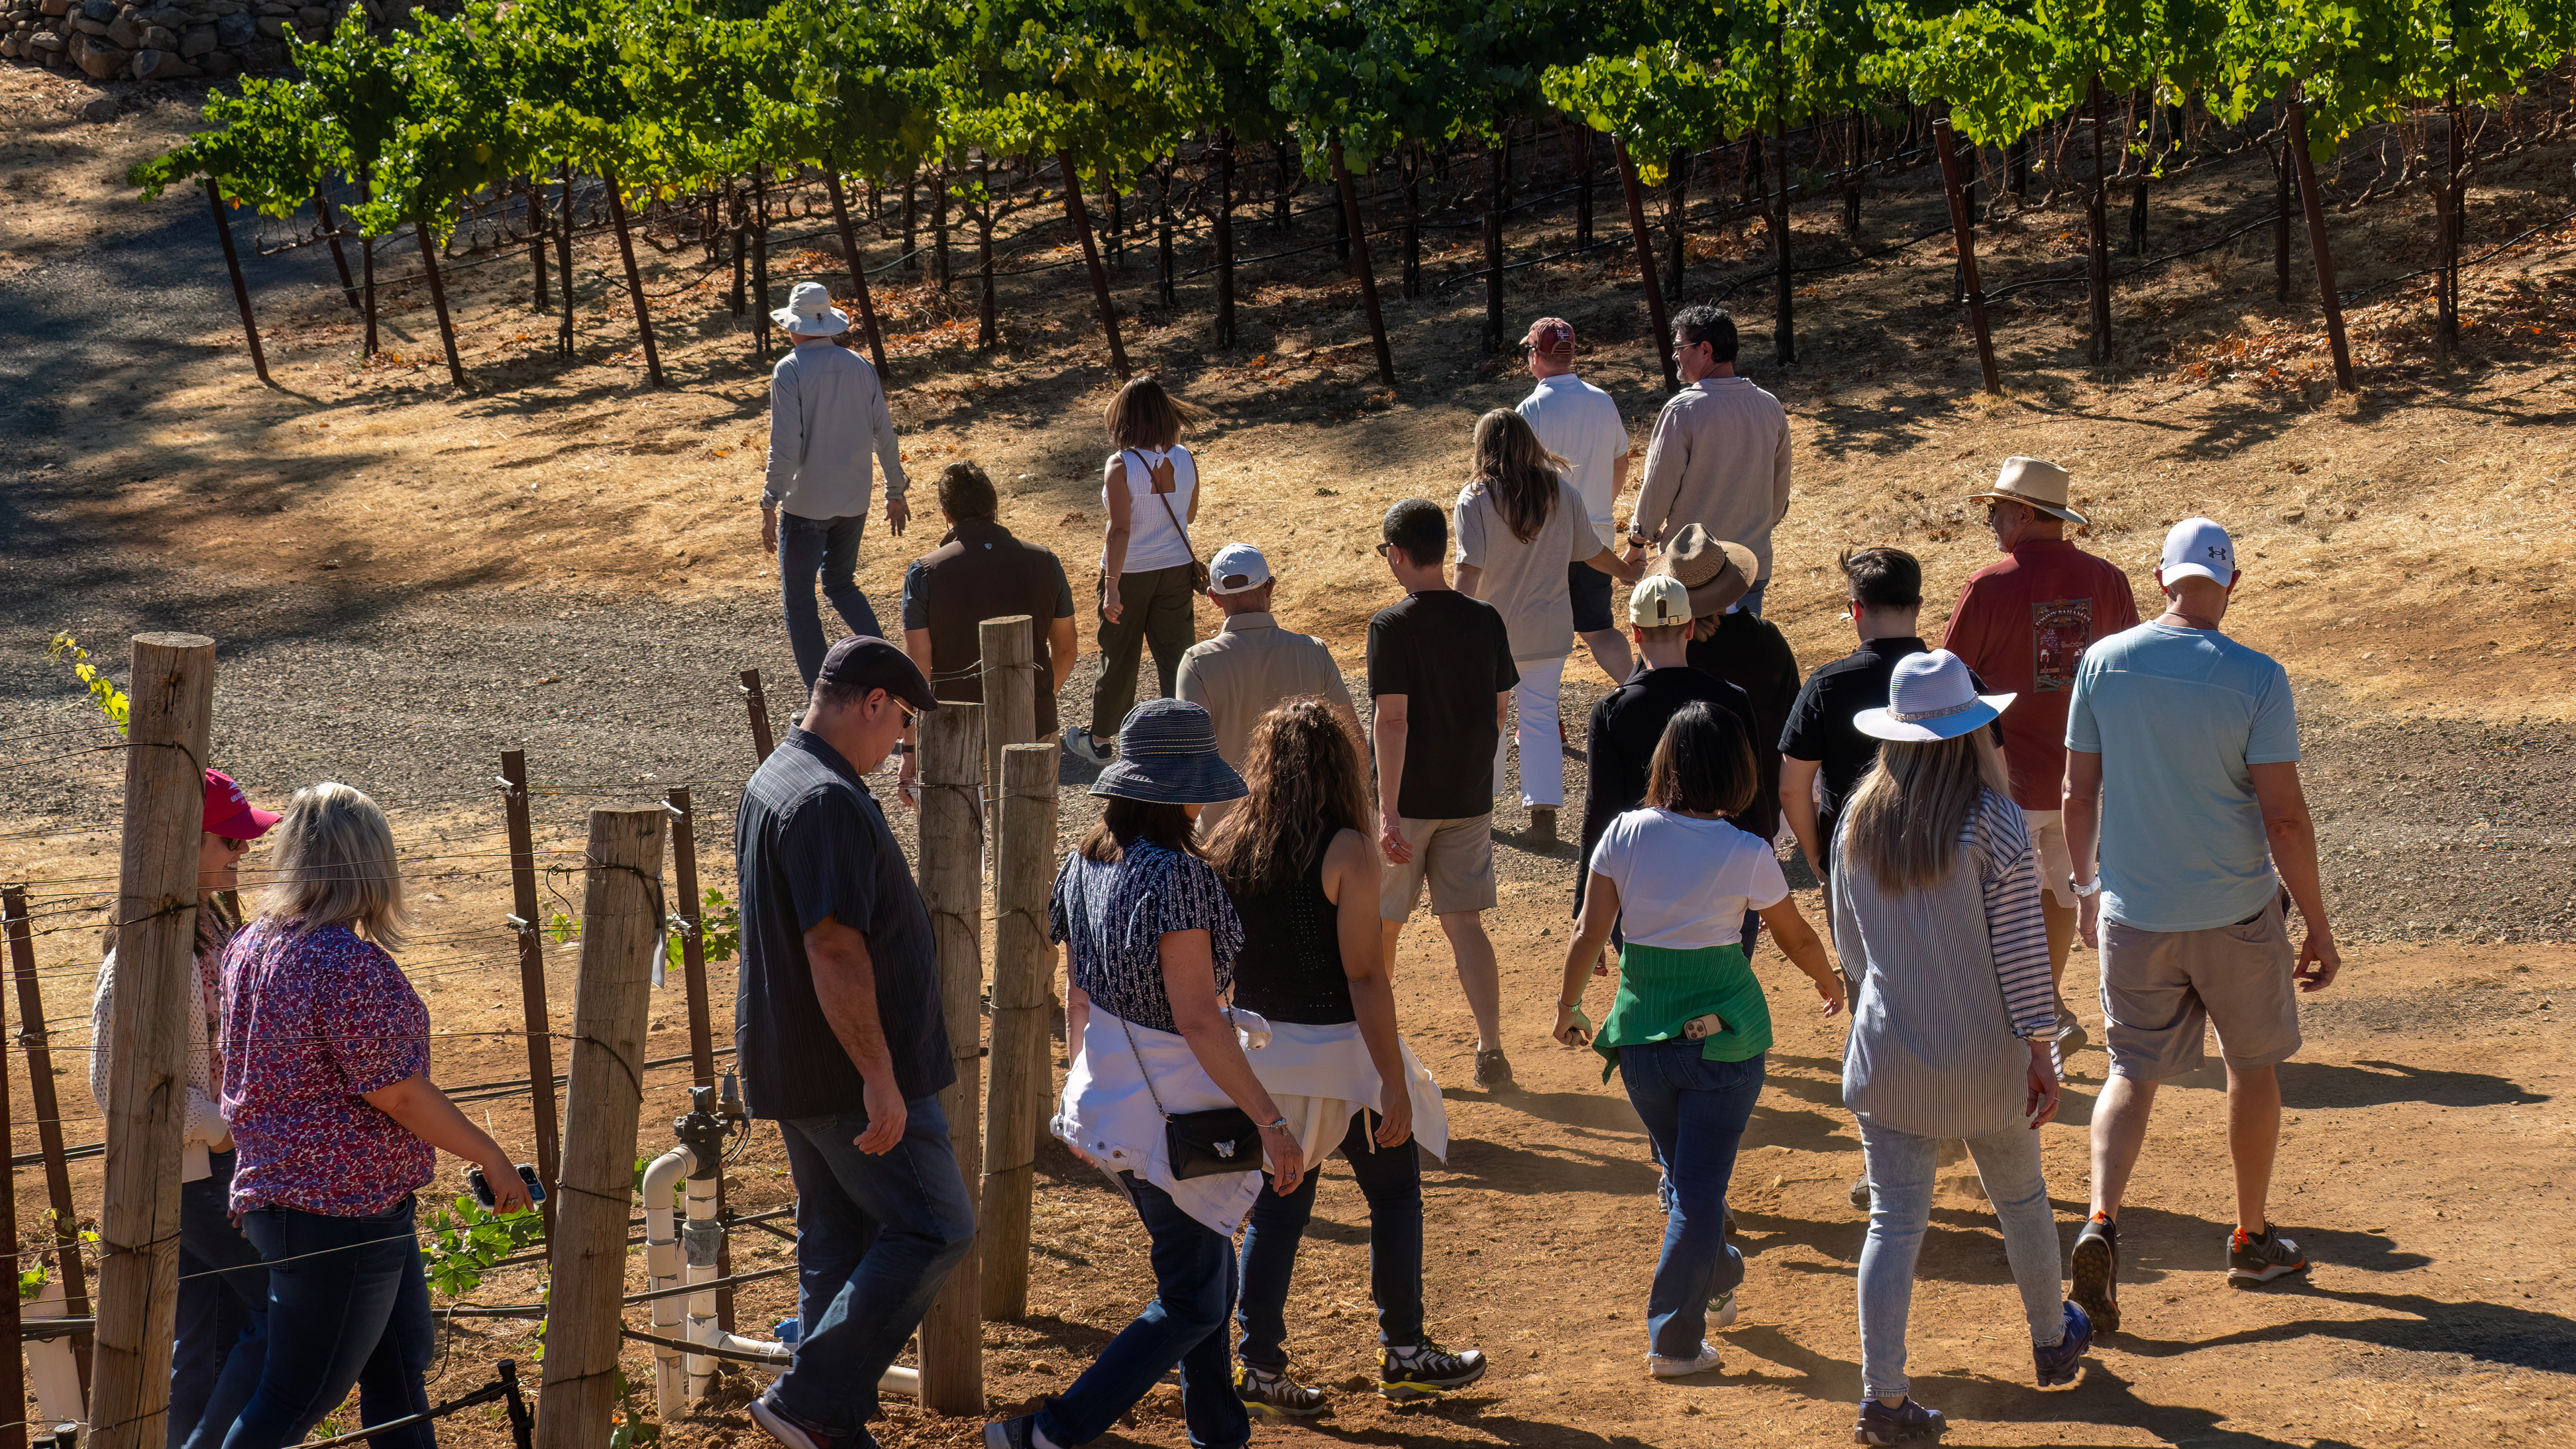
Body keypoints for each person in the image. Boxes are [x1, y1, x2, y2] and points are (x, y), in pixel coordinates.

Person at [992, 699, 1305, 1449]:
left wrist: (1079, 1090)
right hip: (1179, 1109)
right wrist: (1272, 1122)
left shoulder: (1084, 863)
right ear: (1184, 789)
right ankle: (1052, 1432)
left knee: (1205, 1278)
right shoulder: (1181, 877)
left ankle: (1220, 1431)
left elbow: (1077, 993)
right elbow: (1199, 1018)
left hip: (1112, 1099)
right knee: (1196, 1297)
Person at [2062, 517, 2340, 1333]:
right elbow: (2284, 819)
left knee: (2130, 1071)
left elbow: (2080, 794)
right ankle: (2252, 1238)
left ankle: (2101, 1221)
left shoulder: (2101, 663)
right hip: (2235, 913)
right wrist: (2318, 928)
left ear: (2161, 580)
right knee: (2252, 1068)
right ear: (2232, 582)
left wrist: (2086, 890)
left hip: (2133, 912)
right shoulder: (2257, 678)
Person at [220, 783, 536, 1449]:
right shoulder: (348, 964)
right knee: (291, 1399)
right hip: (338, 1214)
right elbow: (398, 1093)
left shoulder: (254, 945)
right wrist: (488, 1154)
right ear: (371, 864)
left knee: (397, 1372)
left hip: (309, 1202)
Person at [1831, 650, 2094, 1446]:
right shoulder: (1995, 820)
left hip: (1888, 1054)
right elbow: (2020, 957)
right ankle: (2051, 1341)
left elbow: (1850, 948)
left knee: (1893, 1223)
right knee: (2022, 1201)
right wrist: (2040, 1048)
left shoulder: (1857, 818)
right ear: (1971, 729)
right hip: (1986, 1059)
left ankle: (1883, 1397)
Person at [1202, 698, 1481, 1415]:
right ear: (1340, 767)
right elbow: (1363, 975)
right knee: (1393, 1194)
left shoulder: (1228, 840)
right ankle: (1407, 1352)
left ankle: (1258, 1364)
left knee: (1277, 1212)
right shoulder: (1348, 850)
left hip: (1263, 1057)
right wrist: (1392, 1081)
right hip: (1340, 1057)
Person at [1554, 703, 1843, 1379]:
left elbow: (1587, 935)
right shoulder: (1746, 853)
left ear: (1665, 765)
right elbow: (1795, 936)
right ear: (1739, 773)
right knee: (1699, 1192)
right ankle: (1673, 1340)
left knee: (1685, 1179)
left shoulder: (1624, 833)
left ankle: (1718, 1272)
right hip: (1726, 1045)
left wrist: (1568, 1009)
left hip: (1641, 1046)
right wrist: (1831, 982)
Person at [735, 637, 975, 1449]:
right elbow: (832, 946)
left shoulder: (777, 776)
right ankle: (810, 1401)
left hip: (796, 1069)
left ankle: (827, 1420)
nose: (897, 745)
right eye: (901, 726)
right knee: (936, 1227)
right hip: (851, 1079)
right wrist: (880, 1076)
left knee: (838, 1240)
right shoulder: (827, 800)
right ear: (873, 702)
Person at [90, 770, 276, 1449]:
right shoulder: (147, 952)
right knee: (282, 1311)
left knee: (209, 1333)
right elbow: (117, 1083)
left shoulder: (200, 924)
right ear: (179, 846)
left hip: (208, 1167)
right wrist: (220, 1132)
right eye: (229, 839)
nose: (243, 852)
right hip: (198, 1172)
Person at [1941, 457, 2140, 1051]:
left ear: (2025, 514)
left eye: (1997, 511)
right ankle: (2044, 1011)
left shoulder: (1988, 585)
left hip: (2007, 782)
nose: (1993, 521)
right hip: (2084, 781)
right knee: (2059, 894)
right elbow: (2128, 674)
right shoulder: (2108, 580)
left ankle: (2040, 1012)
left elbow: (1950, 679)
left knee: (1996, 904)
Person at [1366, 499, 1521, 1092]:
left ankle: (1377, 1053)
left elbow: (1393, 721)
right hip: (1469, 797)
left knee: (1384, 927)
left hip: (1410, 805)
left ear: (1400, 554)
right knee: (1465, 924)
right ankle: (1492, 1048)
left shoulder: (1391, 625)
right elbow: (1501, 707)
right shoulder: (1485, 619)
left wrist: (1387, 810)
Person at [1454, 407, 1643, 844]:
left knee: (1489, 719)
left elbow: (1469, 571)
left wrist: (1451, 621)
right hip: (1549, 629)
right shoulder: (1561, 491)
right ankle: (1542, 815)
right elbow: (1592, 551)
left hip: (1491, 634)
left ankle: (1482, 808)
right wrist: (1628, 573)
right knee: (1539, 716)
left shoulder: (1475, 499)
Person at [1576, 574, 1767, 944]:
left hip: (1640, 888)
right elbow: (1751, 799)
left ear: (1635, 632)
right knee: (1723, 992)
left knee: (1650, 995)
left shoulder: (1612, 710)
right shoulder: (1731, 699)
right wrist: (1765, 885)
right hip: (1723, 881)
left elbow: (1599, 810)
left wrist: (1585, 910)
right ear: (1691, 626)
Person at [761, 281, 910, 702]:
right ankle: (889, 677)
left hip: (807, 503)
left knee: (801, 602)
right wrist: (894, 490)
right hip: (854, 500)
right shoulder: (858, 366)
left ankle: (821, 700)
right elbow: (885, 432)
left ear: (794, 326)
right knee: (842, 584)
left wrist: (770, 500)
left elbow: (785, 445)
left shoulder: (789, 370)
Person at [898, 460, 1081, 804]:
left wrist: (910, 748)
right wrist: (1031, 697)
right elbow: (1067, 649)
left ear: (946, 514)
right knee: (1032, 840)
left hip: (953, 729)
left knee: (957, 846)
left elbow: (918, 669)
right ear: (994, 506)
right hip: (1033, 723)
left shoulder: (924, 573)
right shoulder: (1046, 561)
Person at [1066, 376, 1207, 767]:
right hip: (1177, 567)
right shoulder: (1185, 457)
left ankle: (1100, 740)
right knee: (1176, 655)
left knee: (1119, 654)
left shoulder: (1121, 465)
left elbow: (1120, 528)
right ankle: (1183, 736)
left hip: (1130, 573)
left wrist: (1111, 585)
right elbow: (1189, 514)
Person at [1176, 542, 1362, 832]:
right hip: (1307, 826)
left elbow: (1190, 756)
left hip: (1226, 832)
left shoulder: (1198, 662)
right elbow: (1353, 739)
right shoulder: (1314, 651)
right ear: (1270, 587)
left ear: (1214, 598)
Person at [1778, 547, 1935, 886]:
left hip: (1853, 857)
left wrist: (1818, 857)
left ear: (1855, 609)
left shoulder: (1827, 684)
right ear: (1919, 605)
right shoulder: (1956, 678)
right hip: (1943, 851)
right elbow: (1995, 768)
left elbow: (1792, 787)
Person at [1628, 304, 1792, 616]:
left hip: (1693, 573)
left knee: (1689, 660)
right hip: (1750, 566)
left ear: (1706, 350)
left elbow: (1658, 487)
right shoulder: (1769, 406)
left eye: (1680, 346)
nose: (1675, 355)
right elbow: (1779, 494)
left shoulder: (1683, 410)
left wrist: (1639, 541)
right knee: (1742, 658)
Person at [1514, 316, 1637, 684]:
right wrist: (1599, 507)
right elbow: (1621, 462)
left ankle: (1544, 720)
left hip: (1548, 540)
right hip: (1598, 537)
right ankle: (1639, 689)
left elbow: (1521, 481)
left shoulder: (1530, 410)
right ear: (1570, 355)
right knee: (1598, 628)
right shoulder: (1603, 401)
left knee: (1542, 638)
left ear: (1536, 355)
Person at [1662, 524, 1802, 809]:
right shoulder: (1766, 638)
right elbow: (1794, 715)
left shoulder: (1668, 646)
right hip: (1756, 793)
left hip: (1684, 798)